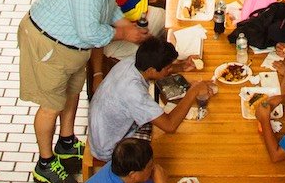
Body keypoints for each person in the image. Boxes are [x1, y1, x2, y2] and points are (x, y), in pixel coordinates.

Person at [21, 0, 153, 183]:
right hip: (50, 44)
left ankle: (66, 143)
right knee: (51, 105)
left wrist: (123, 24)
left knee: (70, 94)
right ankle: (45, 164)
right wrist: (125, 33)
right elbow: (90, 32)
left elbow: (107, 7)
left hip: (70, 47)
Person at [87, 36, 215, 156]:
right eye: (168, 67)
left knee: (163, 114)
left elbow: (157, 71)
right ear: (151, 70)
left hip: (103, 130)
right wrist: (193, 91)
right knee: (174, 144)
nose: (170, 69)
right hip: (109, 147)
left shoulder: (133, 62)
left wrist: (181, 66)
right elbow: (169, 126)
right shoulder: (133, 92)